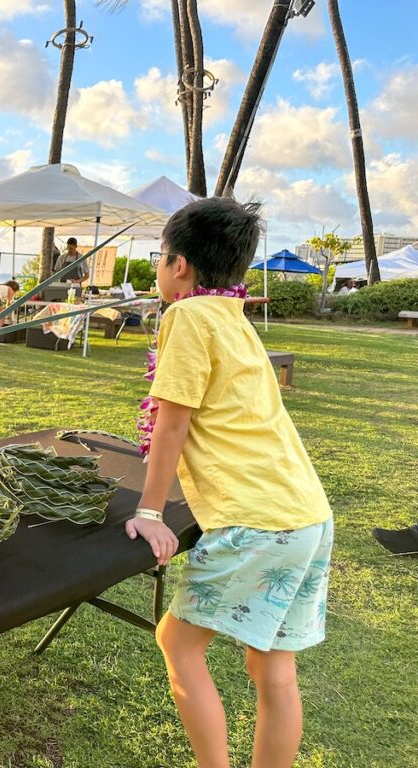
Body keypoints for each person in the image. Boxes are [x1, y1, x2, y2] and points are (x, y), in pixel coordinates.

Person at [127, 197, 333, 768]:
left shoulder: (187, 316)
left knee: (178, 643)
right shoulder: (233, 317)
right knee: (272, 666)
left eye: (161, 258)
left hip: (255, 520)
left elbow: (171, 421)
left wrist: (148, 512)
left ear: (181, 265)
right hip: (308, 515)